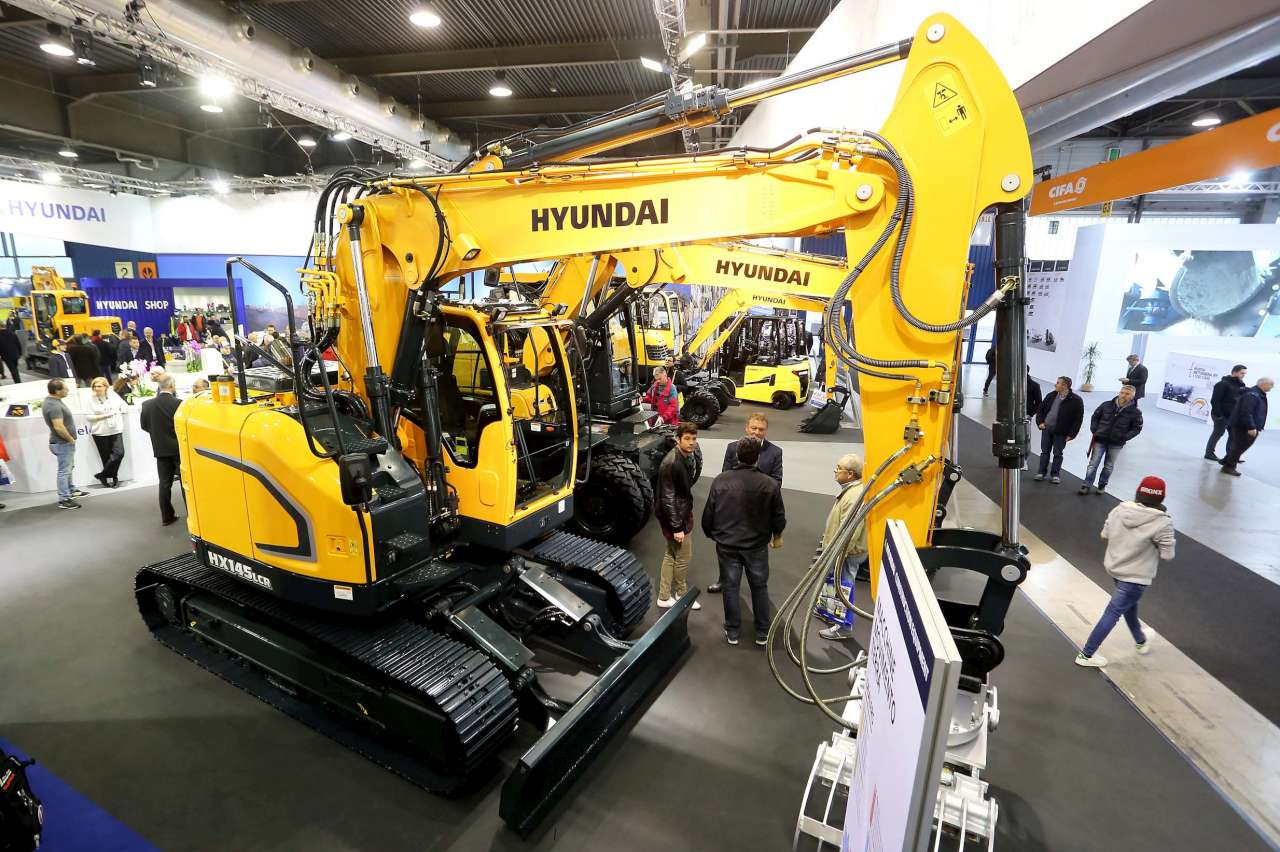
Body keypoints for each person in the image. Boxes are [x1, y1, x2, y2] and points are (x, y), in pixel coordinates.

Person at [1075, 476, 1175, 667]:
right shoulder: (1163, 523)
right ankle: (1086, 655)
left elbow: (1105, 534)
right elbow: (1167, 555)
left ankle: (1140, 641)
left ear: (1138, 492)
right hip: (1136, 577)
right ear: (1161, 498)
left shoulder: (1120, 509)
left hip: (1116, 569)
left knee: (1129, 606)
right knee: (1113, 612)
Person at [702, 437, 785, 646]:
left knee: (730, 587)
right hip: (756, 545)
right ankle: (762, 632)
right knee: (759, 587)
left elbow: (709, 514)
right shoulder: (770, 484)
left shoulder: (720, 480)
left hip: (727, 544)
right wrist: (777, 535)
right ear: (757, 457)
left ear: (737, 455)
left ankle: (733, 631)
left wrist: (714, 534)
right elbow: (778, 516)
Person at [814, 453, 868, 641]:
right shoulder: (851, 490)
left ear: (850, 474)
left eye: (839, 468)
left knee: (844, 586)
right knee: (835, 582)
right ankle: (829, 612)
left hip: (847, 552)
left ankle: (844, 626)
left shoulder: (854, 496)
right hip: (842, 550)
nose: (835, 471)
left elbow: (851, 531)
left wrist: (839, 553)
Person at [654, 421, 702, 611]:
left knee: (671, 555)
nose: (691, 442)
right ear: (678, 439)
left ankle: (664, 596)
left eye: (694, 439)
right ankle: (681, 595)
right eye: (687, 439)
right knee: (683, 557)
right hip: (675, 517)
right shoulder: (672, 462)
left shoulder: (682, 457)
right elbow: (667, 498)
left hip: (678, 513)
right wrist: (677, 527)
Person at [1079, 384, 1142, 495]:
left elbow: (1137, 428)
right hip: (1100, 439)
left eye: (1127, 394)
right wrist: (1095, 430)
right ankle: (1086, 484)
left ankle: (1102, 485)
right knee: (1093, 464)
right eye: (1122, 393)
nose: (1123, 395)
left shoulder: (1136, 412)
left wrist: (1124, 437)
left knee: (1108, 466)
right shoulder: (1106, 405)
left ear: (1132, 396)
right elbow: (1095, 417)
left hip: (1116, 444)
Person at [140, 372, 184, 525]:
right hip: (178, 449)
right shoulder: (179, 404)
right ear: (172, 386)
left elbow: (144, 426)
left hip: (160, 449)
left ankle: (167, 516)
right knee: (185, 483)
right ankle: (192, 515)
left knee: (164, 484)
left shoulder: (147, 405)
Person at [43, 378, 87, 509]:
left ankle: (71, 490)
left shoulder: (53, 402)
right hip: (62, 443)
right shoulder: (53, 405)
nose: (67, 390)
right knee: (64, 471)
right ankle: (64, 499)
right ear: (57, 391)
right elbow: (58, 427)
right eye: (65, 389)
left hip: (62, 443)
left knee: (68, 469)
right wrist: (70, 439)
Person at [1033, 376, 1084, 484]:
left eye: (1058, 383)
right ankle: (1041, 473)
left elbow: (1078, 420)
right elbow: (1040, 409)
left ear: (1065, 386)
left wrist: (1072, 434)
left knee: (1057, 453)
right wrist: (1040, 422)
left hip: (1061, 431)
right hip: (1047, 428)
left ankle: (1055, 475)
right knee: (1045, 452)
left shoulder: (1076, 401)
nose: (1055, 385)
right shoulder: (1051, 395)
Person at [1219, 377, 1272, 477]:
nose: (1271, 387)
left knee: (1239, 446)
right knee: (1239, 447)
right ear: (1263, 384)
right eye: (1270, 385)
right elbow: (1246, 412)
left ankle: (1226, 461)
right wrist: (1251, 427)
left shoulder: (1257, 394)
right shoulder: (1253, 395)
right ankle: (1228, 467)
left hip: (1245, 425)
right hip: (1244, 426)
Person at [86, 376, 127, 488]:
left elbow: (123, 404)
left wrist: (123, 409)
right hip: (100, 432)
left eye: (99, 386)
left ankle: (103, 475)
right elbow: (89, 417)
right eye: (94, 386)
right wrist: (105, 416)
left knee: (119, 453)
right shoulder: (90, 399)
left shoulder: (113, 395)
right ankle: (114, 477)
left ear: (105, 387)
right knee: (106, 457)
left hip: (115, 429)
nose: (96, 388)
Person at [720, 412, 782, 481]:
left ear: (766, 430)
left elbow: (777, 481)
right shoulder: (732, 448)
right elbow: (725, 477)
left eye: (761, 429)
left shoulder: (775, 452)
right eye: (754, 428)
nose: (757, 432)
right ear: (747, 428)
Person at [1205, 364, 1248, 461]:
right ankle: (1209, 453)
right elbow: (1215, 400)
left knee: (1233, 435)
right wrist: (1219, 415)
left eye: (1245, 374)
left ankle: (1231, 456)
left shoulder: (1241, 385)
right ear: (1234, 372)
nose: (1243, 375)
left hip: (1232, 415)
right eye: (1242, 373)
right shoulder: (1222, 384)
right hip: (1222, 415)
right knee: (1218, 433)